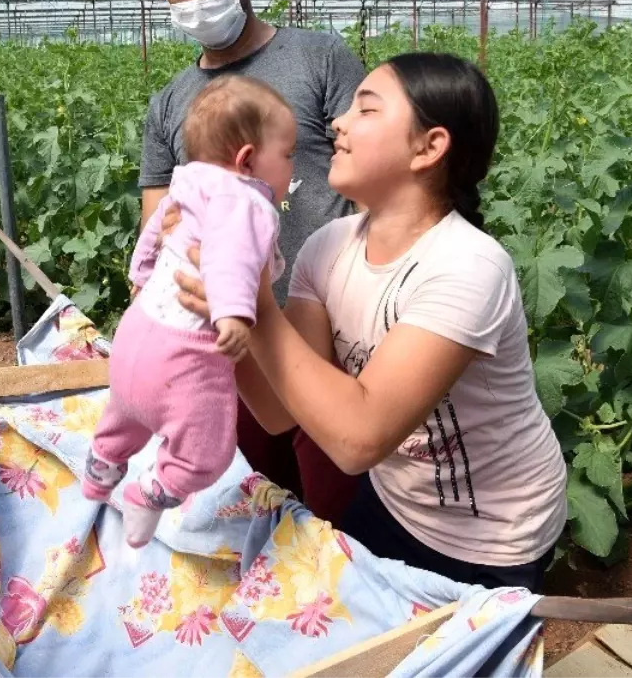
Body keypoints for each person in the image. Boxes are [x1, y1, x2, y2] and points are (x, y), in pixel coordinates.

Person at [168, 53, 568, 591]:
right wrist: (213, 312)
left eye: (366, 108)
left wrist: (254, 301)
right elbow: (277, 411)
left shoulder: (468, 267)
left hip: (496, 535)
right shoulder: (326, 248)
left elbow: (360, 439)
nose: (338, 121)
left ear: (429, 147)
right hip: (396, 502)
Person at [139, 0, 366, 518]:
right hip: (232, 346)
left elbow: (375, 174)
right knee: (269, 504)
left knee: (341, 514)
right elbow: (158, 231)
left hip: (333, 334)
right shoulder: (169, 106)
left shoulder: (320, 58)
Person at [84, 75, 295, 547]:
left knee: (127, 410)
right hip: (183, 351)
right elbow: (229, 257)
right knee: (208, 451)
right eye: (287, 154)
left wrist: (140, 277)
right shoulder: (246, 200)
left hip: (136, 333)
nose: (290, 165)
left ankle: (102, 463)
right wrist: (232, 315)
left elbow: (154, 233)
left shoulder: (187, 184)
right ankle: (151, 493)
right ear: (247, 160)